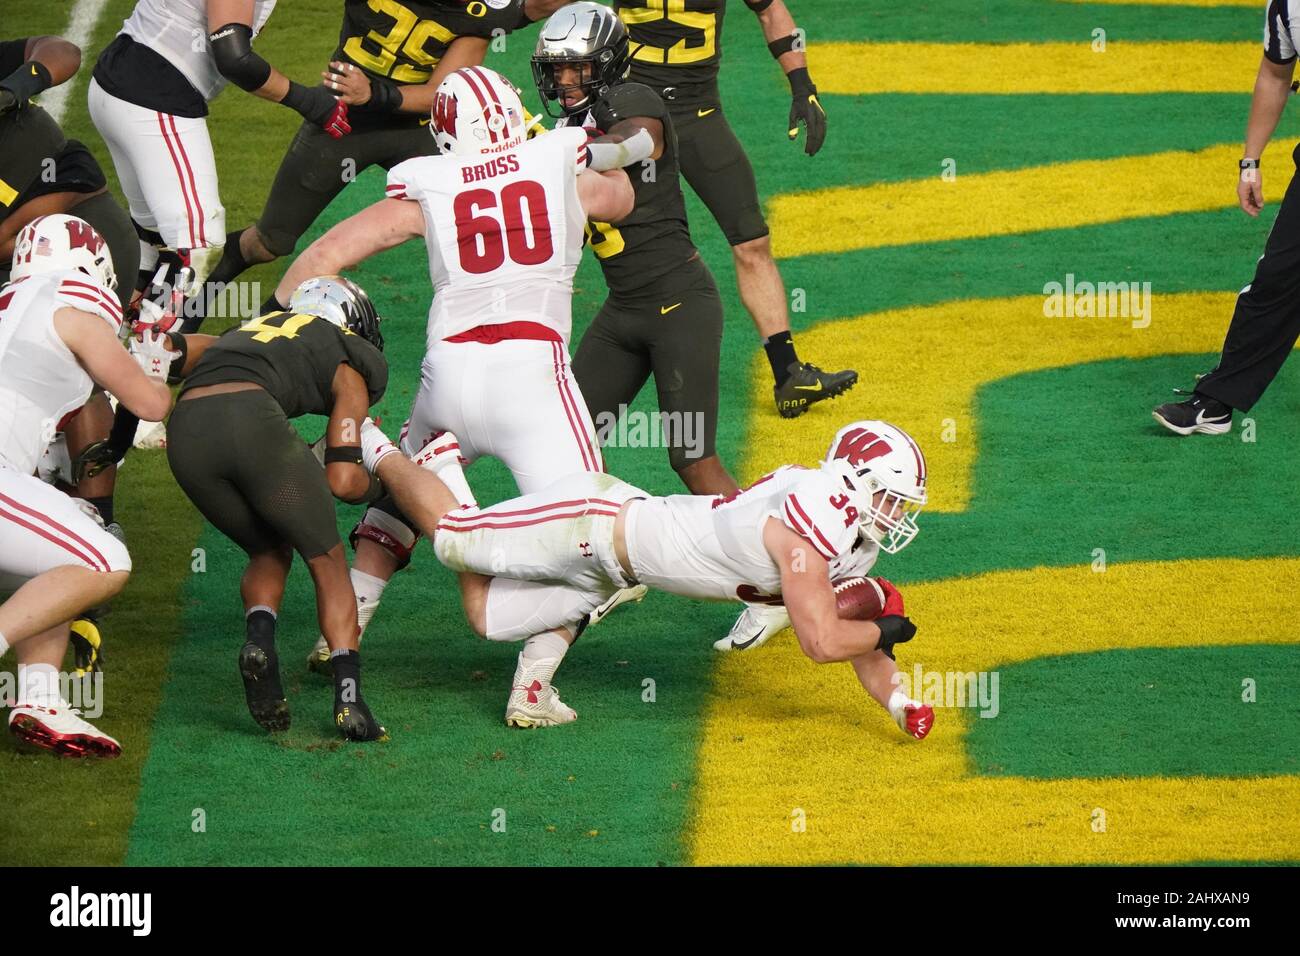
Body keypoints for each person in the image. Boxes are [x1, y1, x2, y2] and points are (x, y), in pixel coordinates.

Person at [274, 65, 639, 725]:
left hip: (451, 372)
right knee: (592, 532)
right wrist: (604, 146)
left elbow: (325, 254)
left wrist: (281, 320)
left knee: (395, 499)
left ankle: (344, 630)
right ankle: (533, 687)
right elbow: (620, 199)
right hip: (533, 375)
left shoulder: (428, 184)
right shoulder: (556, 162)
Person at [359, 416, 935, 740]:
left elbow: (853, 632)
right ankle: (374, 442)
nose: (898, 514)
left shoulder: (845, 532)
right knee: (458, 539)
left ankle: (442, 467)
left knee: (487, 619)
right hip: (593, 524)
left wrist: (899, 702)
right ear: (859, 480)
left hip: (610, 570)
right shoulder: (815, 514)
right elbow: (822, 640)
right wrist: (884, 629)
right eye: (894, 498)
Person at [160, 276, 390, 741]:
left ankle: (259, 643)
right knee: (326, 561)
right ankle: (350, 701)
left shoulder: (249, 330)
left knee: (268, 549)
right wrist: (382, 486)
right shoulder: (349, 357)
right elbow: (343, 480)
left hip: (185, 435)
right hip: (251, 424)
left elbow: (169, 350)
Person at [209, 0, 551, 304]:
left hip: (418, 131)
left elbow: (440, 91)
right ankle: (206, 287)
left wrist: (375, 94)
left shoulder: (481, 11)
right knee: (269, 243)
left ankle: (501, 305)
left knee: (475, 211)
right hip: (340, 120)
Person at [532, 2, 740, 497]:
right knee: (569, 442)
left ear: (606, 63)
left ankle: (772, 561)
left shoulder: (633, 97)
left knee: (693, 460)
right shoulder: (563, 134)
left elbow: (635, 144)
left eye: (575, 67)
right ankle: (592, 560)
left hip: (679, 303)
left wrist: (575, 152)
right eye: (555, 68)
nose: (564, 80)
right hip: (622, 310)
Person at [610, 0, 856, 418]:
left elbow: (770, 9)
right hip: (632, 114)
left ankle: (788, 373)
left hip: (698, 113)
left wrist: (802, 84)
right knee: (595, 231)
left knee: (752, 240)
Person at [0, 215, 172, 758]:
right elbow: (148, 406)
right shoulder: (72, 309)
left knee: (62, 552)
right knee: (105, 560)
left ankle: (40, 699)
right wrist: (156, 365)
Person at [87, 0, 349, 311]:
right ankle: (151, 353)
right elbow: (233, 55)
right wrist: (310, 102)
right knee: (199, 248)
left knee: (152, 246)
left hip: (124, 83)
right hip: (153, 96)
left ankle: (105, 337)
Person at [1153, 3, 1300, 435]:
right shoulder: (1288, 6)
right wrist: (1250, 162)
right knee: (1278, 278)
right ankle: (1216, 403)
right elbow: (1274, 75)